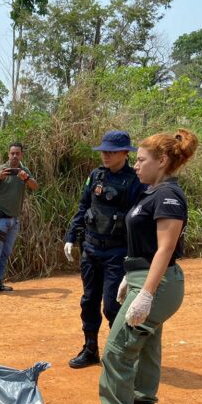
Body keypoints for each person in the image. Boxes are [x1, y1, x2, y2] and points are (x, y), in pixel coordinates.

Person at [81, 129, 198, 404]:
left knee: (117, 352)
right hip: (144, 277)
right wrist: (130, 276)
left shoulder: (168, 196)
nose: (136, 165)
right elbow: (145, 246)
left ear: (162, 161)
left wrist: (145, 292)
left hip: (156, 283)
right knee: (147, 349)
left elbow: (165, 248)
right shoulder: (153, 192)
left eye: (142, 160)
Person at [64, 131, 144, 368]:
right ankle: (90, 349)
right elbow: (83, 206)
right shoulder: (96, 175)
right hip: (90, 249)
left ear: (124, 153)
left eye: (111, 152)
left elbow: (139, 220)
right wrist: (71, 236)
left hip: (117, 253)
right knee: (89, 301)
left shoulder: (135, 182)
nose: (105, 155)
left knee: (112, 305)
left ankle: (119, 353)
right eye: (103, 151)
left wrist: (135, 255)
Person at [0, 143, 38, 297]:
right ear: (8, 154)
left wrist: (26, 178)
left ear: (21, 155)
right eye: (12, 153)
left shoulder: (24, 171)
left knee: (5, 252)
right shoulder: (1, 169)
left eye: (17, 153)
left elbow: (35, 187)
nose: (14, 156)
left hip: (14, 220)